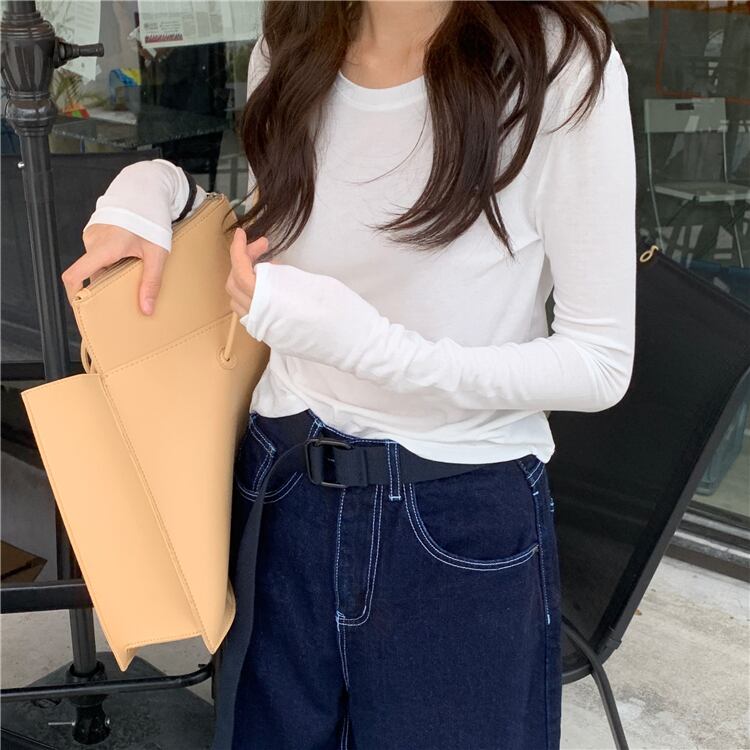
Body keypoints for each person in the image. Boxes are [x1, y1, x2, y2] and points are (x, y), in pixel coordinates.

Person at [61, 1, 636, 748]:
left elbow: (599, 363)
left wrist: (375, 349)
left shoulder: (559, 64)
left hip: (451, 513)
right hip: (282, 491)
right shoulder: (292, 38)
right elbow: (283, 238)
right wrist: (159, 194)